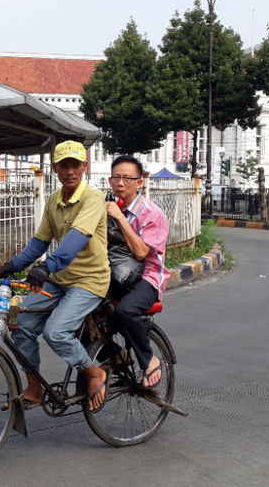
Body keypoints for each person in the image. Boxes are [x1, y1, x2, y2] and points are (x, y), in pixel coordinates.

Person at [0, 140, 111, 411]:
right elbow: (40, 242)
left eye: (75, 165)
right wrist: (13, 265)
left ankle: (94, 373)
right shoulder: (53, 199)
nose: (70, 171)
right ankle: (34, 388)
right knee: (20, 323)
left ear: (85, 166)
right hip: (60, 280)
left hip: (90, 281)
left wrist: (46, 267)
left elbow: (76, 239)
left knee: (56, 332)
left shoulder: (93, 198)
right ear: (54, 168)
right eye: (64, 165)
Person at [106, 155, 171, 389]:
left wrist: (120, 218)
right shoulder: (108, 207)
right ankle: (116, 354)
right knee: (81, 310)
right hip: (115, 276)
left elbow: (141, 252)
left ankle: (148, 359)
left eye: (127, 178)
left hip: (147, 278)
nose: (120, 183)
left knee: (125, 310)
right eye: (116, 178)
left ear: (139, 182)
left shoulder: (152, 214)